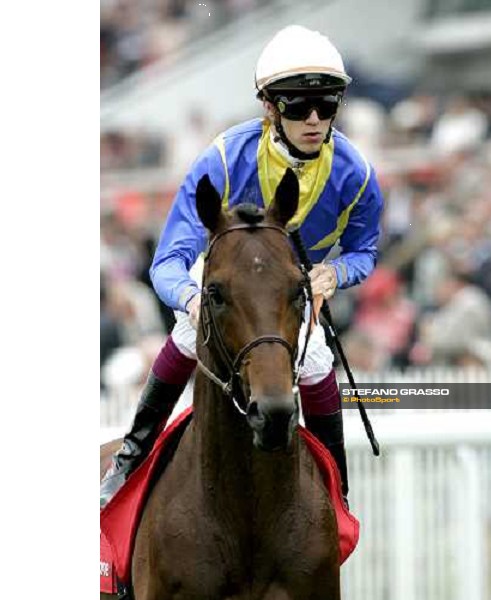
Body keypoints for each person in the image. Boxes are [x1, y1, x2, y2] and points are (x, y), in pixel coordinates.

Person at [100, 24, 384, 508]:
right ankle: (131, 453)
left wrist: (335, 274)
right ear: (270, 108)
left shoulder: (355, 172)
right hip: (223, 276)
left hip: (289, 285)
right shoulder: (224, 159)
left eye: (328, 104)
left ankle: (336, 487)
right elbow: (168, 261)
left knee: (317, 359)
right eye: (297, 106)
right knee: (190, 334)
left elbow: (365, 250)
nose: (315, 119)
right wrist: (189, 299)